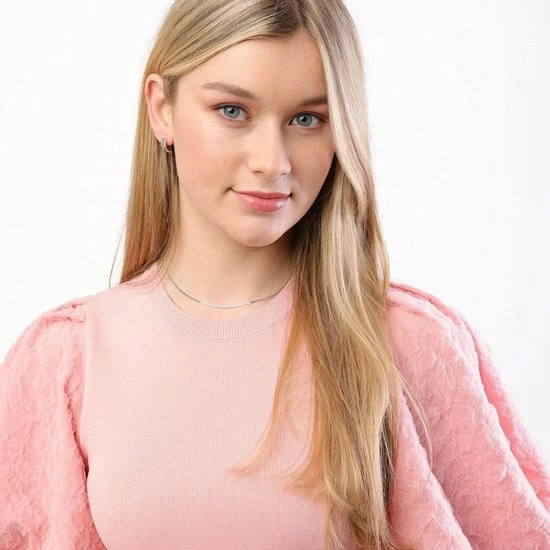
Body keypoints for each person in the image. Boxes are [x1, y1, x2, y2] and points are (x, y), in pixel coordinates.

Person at [1, 0, 549, 548]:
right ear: (162, 108)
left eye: (307, 119)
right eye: (233, 111)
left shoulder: (406, 344)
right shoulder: (66, 359)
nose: (273, 161)